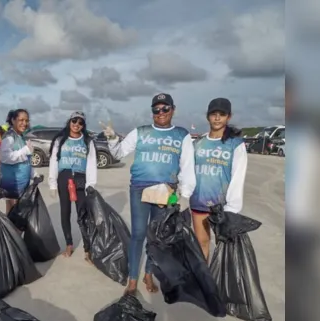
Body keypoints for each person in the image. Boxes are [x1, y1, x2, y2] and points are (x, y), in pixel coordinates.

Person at [101, 93, 196, 295]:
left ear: (173, 109)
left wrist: (185, 193)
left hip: (166, 191)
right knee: (138, 234)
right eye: (156, 109)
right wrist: (111, 138)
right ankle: (133, 279)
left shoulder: (182, 135)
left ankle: (148, 273)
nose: (160, 113)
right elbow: (118, 153)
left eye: (165, 108)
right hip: (140, 189)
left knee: (157, 237)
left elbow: (187, 166)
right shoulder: (141, 131)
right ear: (152, 111)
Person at [190, 98, 247, 261]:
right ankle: (204, 283)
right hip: (199, 201)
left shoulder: (235, 144)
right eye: (213, 114)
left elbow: (238, 176)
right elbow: (188, 170)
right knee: (201, 243)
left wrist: (232, 208)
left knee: (224, 247)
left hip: (222, 206)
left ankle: (220, 284)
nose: (217, 118)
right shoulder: (198, 143)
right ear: (208, 116)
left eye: (221, 114)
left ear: (228, 117)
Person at [48, 111, 98, 261]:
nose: (76, 125)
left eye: (80, 122)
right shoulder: (60, 140)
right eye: (74, 121)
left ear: (84, 125)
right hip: (64, 177)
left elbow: (91, 164)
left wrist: (91, 184)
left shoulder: (88, 141)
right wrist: (52, 183)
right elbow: (53, 161)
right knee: (65, 212)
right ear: (69, 122)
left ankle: (87, 249)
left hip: (81, 179)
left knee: (83, 214)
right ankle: (69, 244)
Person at [0, 109, 38, 214]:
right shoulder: (9, 137)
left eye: (26, 120)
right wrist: (24, 150)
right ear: (13, 120)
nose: (24, 123)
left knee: (20, 218)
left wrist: (34, 175)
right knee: (13, 217)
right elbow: (5, 157)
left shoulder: (21, 137)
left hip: (23, 186)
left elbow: (26, 160)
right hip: (13, 185)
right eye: (21, 120)